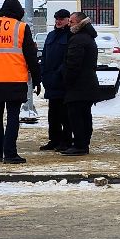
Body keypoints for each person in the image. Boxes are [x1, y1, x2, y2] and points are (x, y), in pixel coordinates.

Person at [0, 0, 41, 163]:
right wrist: (37, 78)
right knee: (13, 116)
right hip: (16, 79)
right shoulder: (21, 28)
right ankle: (10, 153)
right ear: (18, 13)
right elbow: (31, 55)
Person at [59, 10, 101, 155]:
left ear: (79, 23)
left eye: (71, 21)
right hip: (87, 84)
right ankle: (83, 142)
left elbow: (73, 64)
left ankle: (80, 144)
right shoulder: (87, 37)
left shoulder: (78, 39)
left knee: (76, 116)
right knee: (84, 114)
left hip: (79, 85)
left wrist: (66, 79)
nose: (68, 24)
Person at [37, 8, 72, 151]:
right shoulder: (51, 35)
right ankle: (54, 139)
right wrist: (43, 72)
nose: (58, 21)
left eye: (61, 19)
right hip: (50, 80)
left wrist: (59, 73)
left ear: (68, 20)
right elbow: (44, 55)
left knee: (65, 114)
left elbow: (68, 58)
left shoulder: (70, 36)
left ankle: (66, 140)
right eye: (57, 19)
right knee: (53, 114)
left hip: (63, 81)